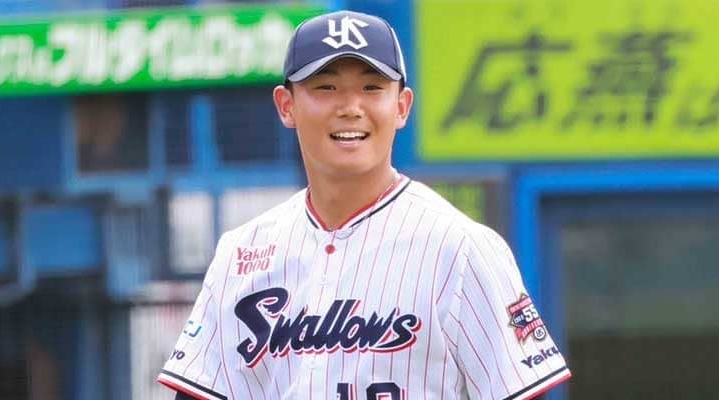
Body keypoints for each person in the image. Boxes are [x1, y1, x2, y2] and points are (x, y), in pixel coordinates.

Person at [158, 10, 570, 400]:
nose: (351, 108)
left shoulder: (461, 249)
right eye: (326, 88)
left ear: (401, 107)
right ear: (287, 106)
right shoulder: (240, 254)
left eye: (372, 88)